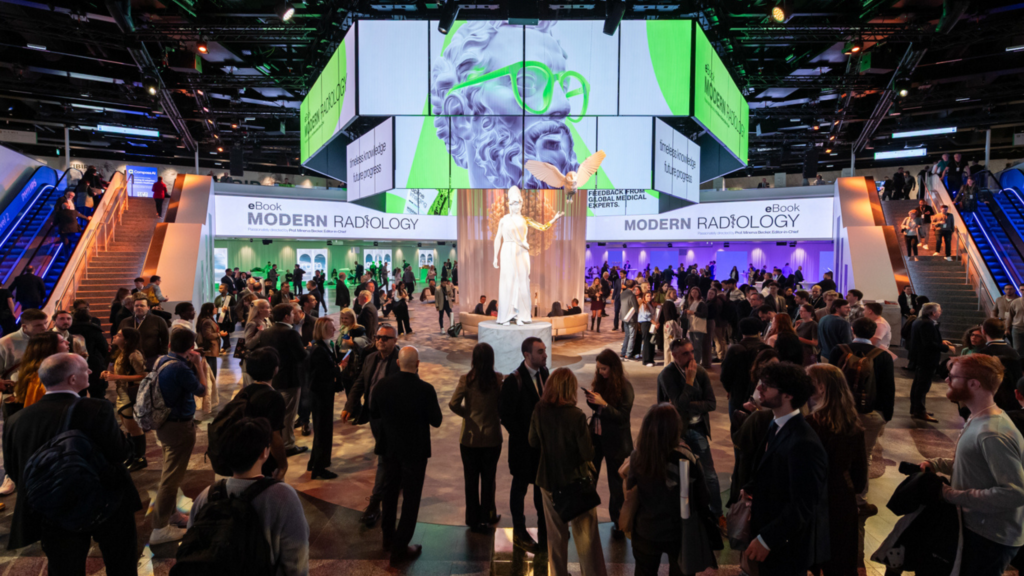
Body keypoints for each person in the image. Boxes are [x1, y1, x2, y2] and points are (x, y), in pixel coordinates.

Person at [3, 353, 142, 575]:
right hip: (106, 502)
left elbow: (14, 469)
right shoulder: (96, 408)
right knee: (120, 564)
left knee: (64, 568)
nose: (90, 371)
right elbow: (119, 453)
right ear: (72, 379)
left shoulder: (16, 420)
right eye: (85, 369)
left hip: (53, 507)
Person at [922, 354, 1024, 575]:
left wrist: (950, 495)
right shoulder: (979, 418)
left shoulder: (992, 432)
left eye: (952, 377)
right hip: (976, 528)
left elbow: (1014, 493)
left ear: (974, 384)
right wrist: (937, 464)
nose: (947, 380)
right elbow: (977, 465)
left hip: (989, 536)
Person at [187, 417, 309, 576]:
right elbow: (296, 563)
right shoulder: (284, 497)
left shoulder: (206, 496)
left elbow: (190, 550)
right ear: (264, 452)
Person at [742, 362, 829, 574]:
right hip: (771, 535)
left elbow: (803, 505)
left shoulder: (804, 442)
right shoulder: (777, 423)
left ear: (788, 395)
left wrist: (766, 540)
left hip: (785, 549)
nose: (759, 389)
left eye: (767, 385)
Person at [528, 368, 607, 576]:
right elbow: (587, 453)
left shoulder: (539, 410)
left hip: (548, 480)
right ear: (570, 389)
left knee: (555, 536)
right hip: (576, 482)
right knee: (587, 538)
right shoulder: (576, 416)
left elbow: (532, 441)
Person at [627, 403, 719, 576]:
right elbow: (704, 498)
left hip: (646, 529)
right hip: (680, 532)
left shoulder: (637, 457)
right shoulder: (686, 457)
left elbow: (630, 490)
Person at [371, 347, 442, 566]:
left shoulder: (382, 386)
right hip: (415, 451)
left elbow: (374, 413)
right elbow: (437, 420)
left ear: (398, 363)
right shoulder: (425, 389)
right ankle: (400, 548)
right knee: (411, 499)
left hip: (390, 449)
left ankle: (388, 539)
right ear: (418, 363)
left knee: (389, 493)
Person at [805, 364, 868, 576]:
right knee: (840, 562)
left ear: (821, 387)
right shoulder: (853, 425)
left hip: (814, 500)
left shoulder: (809, 425)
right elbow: (860, 480)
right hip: (842, 500)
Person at [150, 328, 208, 544]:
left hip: (165, 423)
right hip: (178, 427)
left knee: (169, 471)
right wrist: (199, 365)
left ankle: (171, 514)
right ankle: (160, 528)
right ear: (191, 347)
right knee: (171, 478)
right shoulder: (180, 368)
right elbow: (202, 390)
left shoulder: (162, 360)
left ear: (169, 344)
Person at [657, 337, 723, 525]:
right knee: (675, 476)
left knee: (709, 475)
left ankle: (717, 514)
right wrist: (689, 382)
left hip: (698, 429)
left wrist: (685, 404)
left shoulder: (700, 371)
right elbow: (673, 404)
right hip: (676, 433)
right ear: (674, 355)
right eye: (685, 353)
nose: (691, 357)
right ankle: (680, 517)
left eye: (692, 351)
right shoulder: (667, 375)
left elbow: (711, 404)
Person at [342, 323, 401, 527]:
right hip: (374, 417)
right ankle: (393, 481)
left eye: (385, 338)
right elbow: (360, 382)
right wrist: (350, 405)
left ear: (395, 340)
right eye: (378, 337)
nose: (380, 341)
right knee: (387, 456)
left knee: (383, 459)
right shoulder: (370, 358)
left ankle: (375, 503)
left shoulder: (401, 361)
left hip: (392, 419)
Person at [500, 336, 549, 553]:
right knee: (519, 488)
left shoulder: (544, 373)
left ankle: (544, 530)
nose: (545, 355)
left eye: (544, 350)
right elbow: (506, 416)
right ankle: (519, 531)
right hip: (522, 448)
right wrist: (525, 437)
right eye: (540, 351)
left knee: (541, 490)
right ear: (527, 355)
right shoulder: (514, 380)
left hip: (541, 448)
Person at [449, 343, 503, 532]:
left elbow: (453, 403)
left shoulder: (466, 380)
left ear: (473, 359)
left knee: (470, 480)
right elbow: (502, 405)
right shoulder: (498, 379)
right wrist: (496, 416)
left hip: (469, 438)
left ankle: (472, 518)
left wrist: (468, 415)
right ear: (491, 359)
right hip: (492, 437)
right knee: (489, 479)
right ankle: (487, 516)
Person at [584, 350, 634, 538]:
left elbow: (622, 417)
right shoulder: (600, 382)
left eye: (604, 369)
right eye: (598, 369)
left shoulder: (625, 388)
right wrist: (592, 400)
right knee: (590, 478)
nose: (600, 372)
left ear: (614, 368)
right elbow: (597, 409)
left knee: (616, 484)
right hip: (596, 438)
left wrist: (603, 404)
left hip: (616, 441)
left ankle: (618, 521)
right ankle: (587, 518)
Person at [259, 303, 308, 456]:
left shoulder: (266, 332)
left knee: (277, 413)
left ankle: (276, 443)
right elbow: (301, 356)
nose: (294, 316)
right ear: (287, 316)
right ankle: (288, 445)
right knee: (288, 415)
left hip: (273, 378)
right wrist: (308, 350)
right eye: (292, 314)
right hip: (290, 379)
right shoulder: (290, 333)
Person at [102, 328, 149, 472]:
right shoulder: (121, 353)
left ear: (127, 340)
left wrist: (117, 377)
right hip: (121, 393)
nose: (114, 336)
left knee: (134, 428)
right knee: (128, 427)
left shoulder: (134, 354)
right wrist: (109, 373)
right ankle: (132, 455)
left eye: (119, 335)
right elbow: (122, 372)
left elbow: (144, 375)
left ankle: (140, 458)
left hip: (130, 395)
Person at [307, 317, 343, 479]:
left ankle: (314, 462)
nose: (334, 330)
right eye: (331, 327)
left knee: (322, 429)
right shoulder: (319, 349)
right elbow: (322, 374)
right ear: (323, 330)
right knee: (323, 431)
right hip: (321, 395)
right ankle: (319, 468)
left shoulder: (323, 346)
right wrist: (339, 368)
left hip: (323, 393)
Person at [909, 302, 956, 422]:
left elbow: (926, 339)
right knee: (922, 386)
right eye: (939, 310)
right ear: (933, 312)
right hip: (927, 359)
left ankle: (916, 408)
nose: (941, 312)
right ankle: (920, 411)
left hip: (920, 358)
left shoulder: (919, 320)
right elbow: (928, 344)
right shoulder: (927, 324)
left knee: (918, 384)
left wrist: (941, 341)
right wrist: (947, 348)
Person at [721, 318, 771, 421]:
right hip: (761, 394)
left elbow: (725, 375)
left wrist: (729, 389)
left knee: (738, 424)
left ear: (741, 330)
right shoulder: (767, 350)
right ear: (759, 331)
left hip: (738, 394)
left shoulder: (735, 349)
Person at [977, 318, 1023, 412]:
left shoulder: (983, 354)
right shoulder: (1014, 352)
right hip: (1012, 401)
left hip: (990, 402)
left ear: (983, 331)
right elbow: (1018, 377)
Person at [118, 295, 170, 369]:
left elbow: (165, 339)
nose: (138, 307)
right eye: (136, 306)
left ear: (148, 307)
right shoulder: (125, 322)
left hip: (151, 358)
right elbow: (118, 339)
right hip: (129, 359)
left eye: (142, 305)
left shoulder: (158, 321)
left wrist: (162, 355)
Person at [683, 287, 709, 368]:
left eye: (695, 292)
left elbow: (704, 314)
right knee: (692, 346)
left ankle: (697, 363)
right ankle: (693, 361)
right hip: (692, 327)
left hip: (698, 327)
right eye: (692, 292)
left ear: (699, 293)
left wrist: (693, 312)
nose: (694, 294)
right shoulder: (690, 302)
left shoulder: (701, 303)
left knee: (697, 346)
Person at [620, 280, 639, 361]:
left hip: (624, 317)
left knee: (627, 335)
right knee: (632, 336)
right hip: (631, 318)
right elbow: (636, 308)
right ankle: (628, 354)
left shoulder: (622, 293)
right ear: (634, 286)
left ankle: (623, 352)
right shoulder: (632, 295)